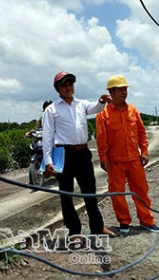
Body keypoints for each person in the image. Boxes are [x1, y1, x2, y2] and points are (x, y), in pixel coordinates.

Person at [42, 71, 116, 238]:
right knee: (66, 195)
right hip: (63, 154)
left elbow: (95, 108)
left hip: (83, 153)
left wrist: (101, 101)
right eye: (64, 85)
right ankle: (74, 231)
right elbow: (47, 137)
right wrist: (48, 161)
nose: (68, 88)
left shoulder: (81, 104)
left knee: (90, 191)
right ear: (58, 89)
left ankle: (97, 227)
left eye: (70, 84)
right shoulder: (52, 110)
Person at [95, 75, 159, 234]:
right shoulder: (103, 115)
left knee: (141, 191)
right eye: (120, 89)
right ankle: (124, 222)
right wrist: (103, 158)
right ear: (111, 92)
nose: (124, 92)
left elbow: (141, 133)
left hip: (134, 160)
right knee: (117, 193)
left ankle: (147, 221)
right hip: (115, 161)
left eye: (125, 89)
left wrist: (144, 151)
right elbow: (101, 138)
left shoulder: (133, 110)